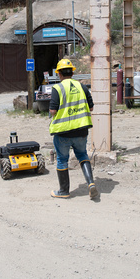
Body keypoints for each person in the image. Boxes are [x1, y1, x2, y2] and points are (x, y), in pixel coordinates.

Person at [49, 59, 98, 199]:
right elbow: (91, 107)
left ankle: (64, 191)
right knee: (82, 155)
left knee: (62, 159)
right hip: (81, 131)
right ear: (72, 72)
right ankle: (91, 184)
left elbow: (53, 110)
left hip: (63, 132)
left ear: (59, 74)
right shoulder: (82, 87)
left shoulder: (57, 88)